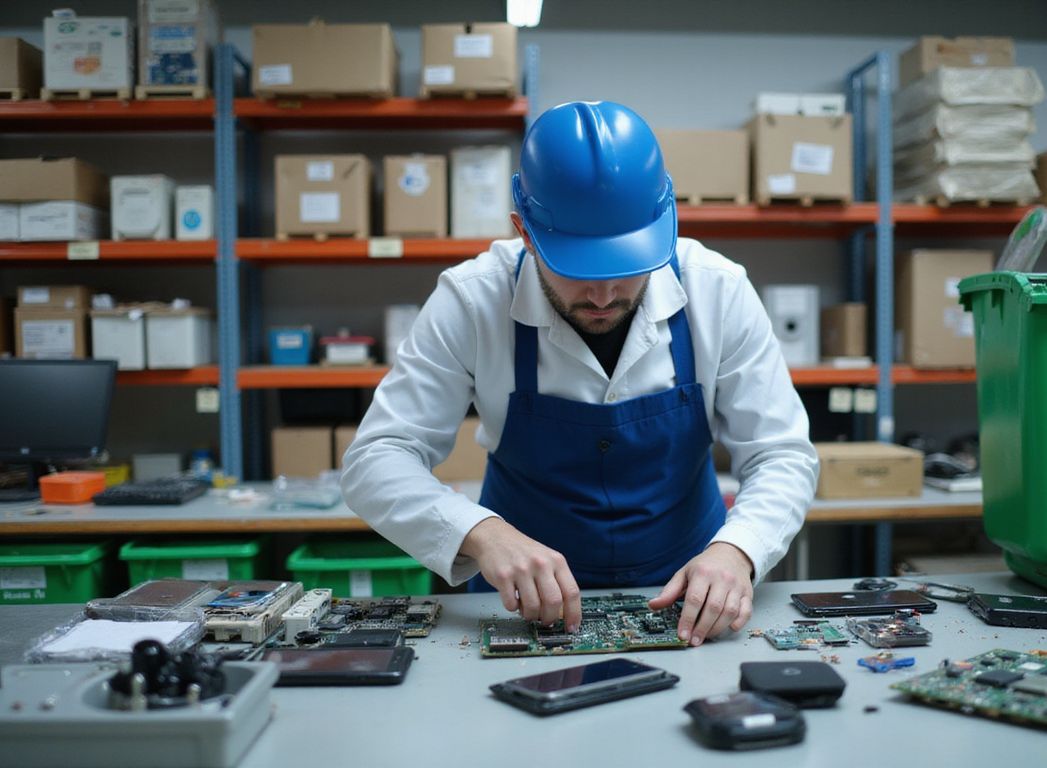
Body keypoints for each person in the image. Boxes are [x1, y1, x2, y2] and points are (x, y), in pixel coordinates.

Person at [342, 100, 819, 646]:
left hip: (689, 596)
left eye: (625, 266)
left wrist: (739, 549)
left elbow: (781, 451)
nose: (602, 294)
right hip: (519, 606)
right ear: (525, 232)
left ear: (662, 228)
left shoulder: (718, 289)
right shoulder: (472, 300)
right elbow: (375, 459)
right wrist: (482, 533)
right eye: (576, 269)